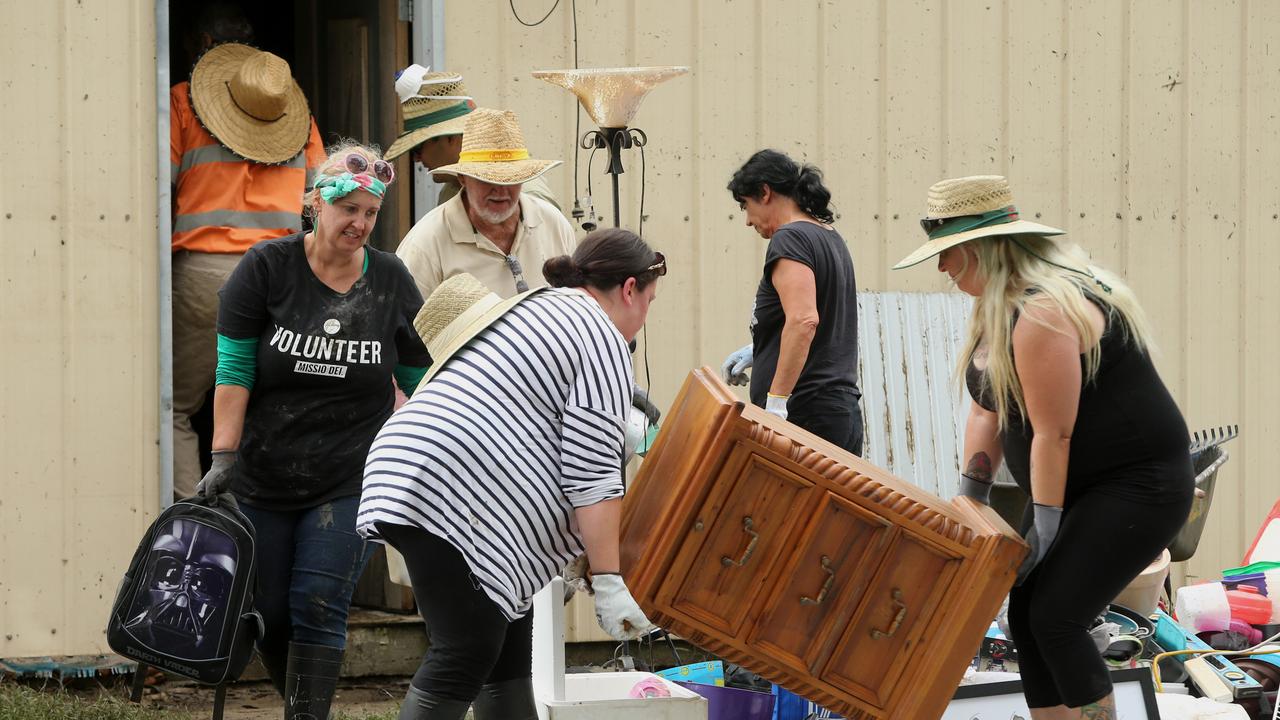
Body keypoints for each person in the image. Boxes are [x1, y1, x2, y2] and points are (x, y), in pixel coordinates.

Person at [893, 175, 1193, 719]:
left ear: (983, 251)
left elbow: (1055, 434)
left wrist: (1047, 529)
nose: (941, 269)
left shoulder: (1044, 311)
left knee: (1057, 614)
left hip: (1137, 484)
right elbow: (986, 408)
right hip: (1077, 486)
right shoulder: (995, 309)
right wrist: (972, 503)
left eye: (949, 254)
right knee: (1026, 612)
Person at [358, 229, 664, 719]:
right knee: (467, 650)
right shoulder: (600, 332)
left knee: (505, 652)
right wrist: (608, 578)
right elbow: (591, 473)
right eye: (649, 301)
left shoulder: (541, 306)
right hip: (446, 487)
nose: (644, 318)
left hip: (413, 469)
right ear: (629, 289)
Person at [195, 143, 431, 720]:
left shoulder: (392, 281)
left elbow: (422, 375)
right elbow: (234, 369)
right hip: (264, 472)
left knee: (318, 602)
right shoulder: (267, 268)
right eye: (348, 208)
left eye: (370, 213)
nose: (360, 223)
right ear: (316, 206)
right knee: (270, 610)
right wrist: (223, 455)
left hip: (351, 473)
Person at [171, 37, 325, 499]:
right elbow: (324, 198)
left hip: (203, 274)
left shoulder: (183, 102)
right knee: (264, 404)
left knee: (176, 407)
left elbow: (157, 185)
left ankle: (195, 519)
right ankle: (256, 523)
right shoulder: (301, 124)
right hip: (276, 279)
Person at [721, 149, 863, 455]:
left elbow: (803, 321)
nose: (747, 221)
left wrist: (776, 406)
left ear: (765, 192)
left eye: (746, 205)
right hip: (836, 412)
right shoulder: (829, 236)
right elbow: (818, 318)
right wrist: (760, 349)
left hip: (805, 414)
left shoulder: (790, 238)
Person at [394, 108, 576, 302]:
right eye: (486, 179)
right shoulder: (425, 243)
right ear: (463, 178)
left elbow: (578, 305)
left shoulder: (553, 223)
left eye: (510, 178)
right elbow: (405, 327)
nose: (500, 190)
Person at [384, 65, 560, 211]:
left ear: (451, 138)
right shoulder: (451, 192)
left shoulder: (529, 197)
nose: (416, 159)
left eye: (418, 147)